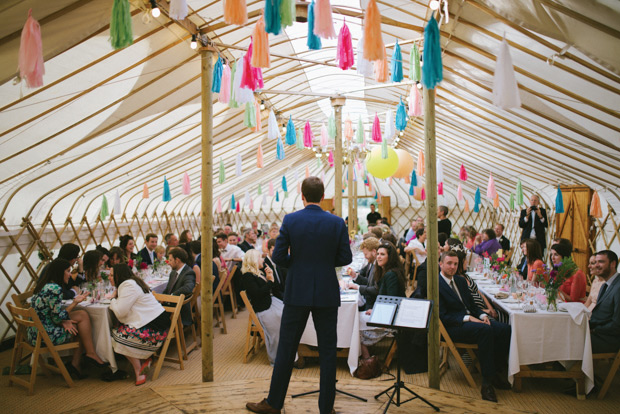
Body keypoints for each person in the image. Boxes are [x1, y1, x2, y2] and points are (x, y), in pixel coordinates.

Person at [246, 176, 352, 414]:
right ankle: (326, 408)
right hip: (326, 290)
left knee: (286, 347)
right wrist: (324, 263)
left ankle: (274, 403)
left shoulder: (291, 220)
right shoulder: (336, 223)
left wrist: (301, 263)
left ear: (302, 196)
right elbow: (345, 258)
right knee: (327, 350)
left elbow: (280, 257)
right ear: (323, 197)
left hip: (297, 291)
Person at [438, 251, 511, 402]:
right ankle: (487, 384)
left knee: (505, 330)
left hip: (473, 320)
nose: (452, 267)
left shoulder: (460, 281)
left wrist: (483, 316)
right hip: (453, 326)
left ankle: (496, 371)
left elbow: (472, 305)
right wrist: (467, 318)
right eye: (449, 263)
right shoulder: (436, 284)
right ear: (441, 264)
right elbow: (442, 316)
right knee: (485, 331)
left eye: (455, 264)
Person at [29, 258, 107, 379]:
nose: (70, 275)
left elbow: (52, 314)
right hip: (44, 335)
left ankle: (81, 360)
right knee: (78, 326)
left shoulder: (44, 285)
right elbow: (56, 318)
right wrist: (74, 304)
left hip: (34, 331)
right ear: (60, 272)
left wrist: (64, 320)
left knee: (82, 315)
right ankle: (81, 360)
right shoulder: (55, 289)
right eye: (68, 271)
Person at [109, 263, 170, 386]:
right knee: (119, 330)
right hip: (157, 323)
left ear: (118, 275)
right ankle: (144, 359)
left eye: (111, 275)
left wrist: (112, 300)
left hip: (155, 330)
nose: (109, 278)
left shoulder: (128, 285)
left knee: (117, 336)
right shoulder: (132, 282)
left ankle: (139, 369)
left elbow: (120, 312)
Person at [358, 242, 406, 361]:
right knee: (356, 318)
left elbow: (392, 301)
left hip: (391, 319)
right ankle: (365, 355)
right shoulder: (386, 272)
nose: (378, 257)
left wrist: (376, 311)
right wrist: (374, 309)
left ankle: (366, 359)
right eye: (378, 254)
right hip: (386, 313)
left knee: (354, 323)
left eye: (382, 254)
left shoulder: (391, 275)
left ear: (390, 257)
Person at [241, 250, 283, 365]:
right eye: (260, 258)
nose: (263, 260)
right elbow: (258, 293)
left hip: (270, 303)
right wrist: (269, 281)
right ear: (253, 260)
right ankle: (280, 356)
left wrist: (271, 277)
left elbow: (273, 289)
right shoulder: (247, 276)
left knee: (290, 314)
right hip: (263, 309)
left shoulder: (259, 272)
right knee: (282, 319)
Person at [446, 239, 498, 320]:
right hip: (477, 313)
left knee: (504, 316)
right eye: (465, 260)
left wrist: (490, 308)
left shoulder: (466, 276)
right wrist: (484, 311)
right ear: (460, 263)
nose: (467, 262)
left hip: (485, 310)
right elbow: (465, 306)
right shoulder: (457, 281)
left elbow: (481, 294)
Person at [589, 250, 620, 353]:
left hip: (609, 340)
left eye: (601, 262)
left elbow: (617, 324)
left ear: (613, 264)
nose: (596, 265)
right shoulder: (605, 285)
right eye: (595, 262)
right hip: (599, 333)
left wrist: (594, 330)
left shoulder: (618, 287)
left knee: (570, 339)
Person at [164, 247, 196, 326]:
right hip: (170, 304)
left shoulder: (189, 272)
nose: (169, 262)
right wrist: (162, 297)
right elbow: (168, 289)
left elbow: (188, 288)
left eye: (171, 260)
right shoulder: (173, 272)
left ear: (177, 260)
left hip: (179, 309)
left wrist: (171, 296)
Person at [346, 237, 380, 311]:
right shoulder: (372, 262)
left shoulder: (379, 267)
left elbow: (376, 290)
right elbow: (368, 282)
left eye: (366, 254)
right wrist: (355, 276)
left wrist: (357, 287)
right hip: (368, 301)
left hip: (371, 305)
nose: (364, 257)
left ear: (374, 252)